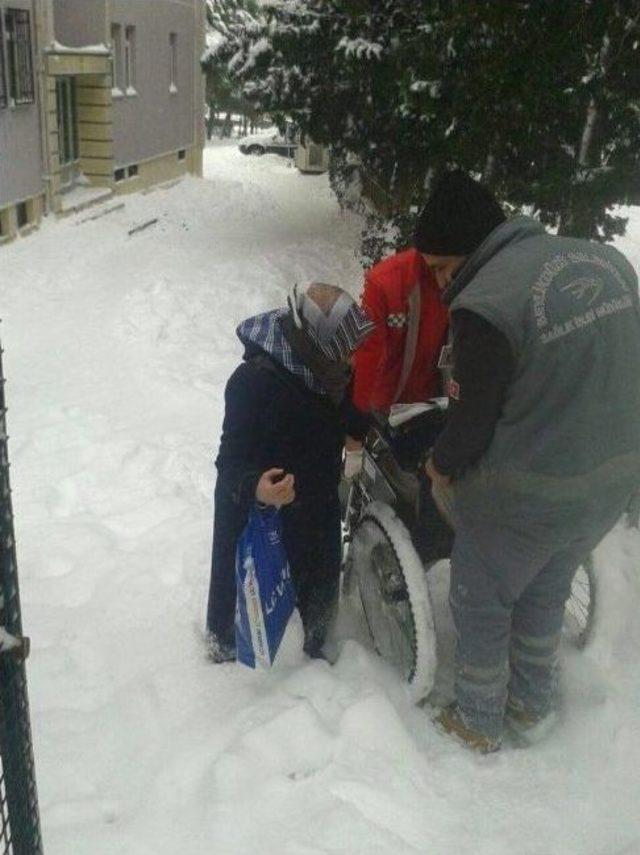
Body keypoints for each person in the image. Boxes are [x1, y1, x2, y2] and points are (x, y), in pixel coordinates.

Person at [416, 170, 640, 752]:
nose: (441, 284)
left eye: (441, 267)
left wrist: (440, 465)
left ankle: (478, 719)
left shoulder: (485, 303)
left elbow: (471, 420)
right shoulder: (607, 264)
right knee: (546, 586)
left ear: (471, 246)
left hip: (527, 495)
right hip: (611, 483)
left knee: (482, 598)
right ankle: (531, 703)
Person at [206, 283, 375, 663]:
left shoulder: (327, 367)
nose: (350, 361)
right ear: (315, 343)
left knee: (320, 587)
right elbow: (229, 463)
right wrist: (257, 488)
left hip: (315, 493)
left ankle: (319, 650)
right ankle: (226, 656)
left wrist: (363, 427)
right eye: (344, 351)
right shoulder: (252, 382)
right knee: (245, 596)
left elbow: (342, 411)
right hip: (268, 498)